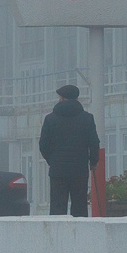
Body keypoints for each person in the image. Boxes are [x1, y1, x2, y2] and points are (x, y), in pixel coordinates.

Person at [38, 83, 99, 216]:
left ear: (61, 99)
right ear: (77, 99)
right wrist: (93, 162)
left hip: (58, 171)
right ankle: (81, 235)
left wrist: (52, 160)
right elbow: (94, 143)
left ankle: (56, 236)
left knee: (57, 209)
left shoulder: (50, 119)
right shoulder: (87, 119)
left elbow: (43, 145)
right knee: (80, 208)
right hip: (80, 170)